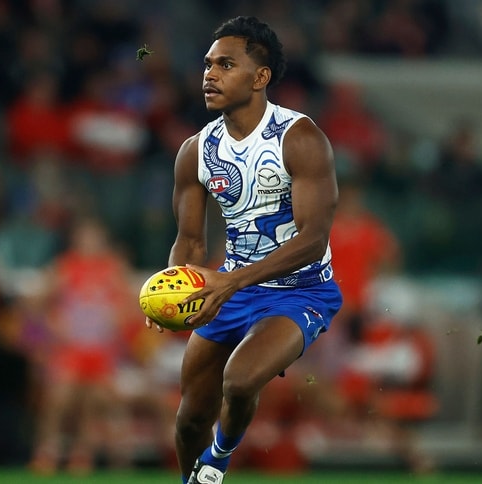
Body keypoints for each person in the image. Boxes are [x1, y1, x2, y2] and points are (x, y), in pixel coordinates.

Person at [145, 16, 343, 483]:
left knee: (239, 381)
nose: (210, 75)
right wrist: (173, 291)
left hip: (299, 292)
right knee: (190, 417)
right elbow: (190, 241)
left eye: (226, 65)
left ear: (260, 77)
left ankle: (217, 460)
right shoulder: (196, 150)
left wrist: (229, 282)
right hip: (231, 290)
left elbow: (312, 240)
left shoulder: (299, 138)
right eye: (208, 64)